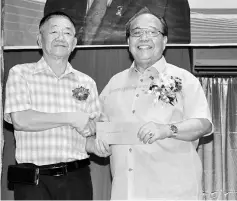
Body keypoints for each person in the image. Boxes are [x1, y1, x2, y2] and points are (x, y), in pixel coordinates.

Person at [98, 8, 213, 200]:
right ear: (128, 42)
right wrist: (99, 142)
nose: (144, 38)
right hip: (126, 192)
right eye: (137, 33)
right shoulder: (114, 84)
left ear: (165, 40)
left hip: (173, 192)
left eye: (152, 32)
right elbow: (99, 127)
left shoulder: (184, 79)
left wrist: (166, 129)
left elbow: (203, 124)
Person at [4, 11, 104, 200]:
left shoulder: (87, 82)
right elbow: (21, 120)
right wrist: (71, 117)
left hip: (77, 178)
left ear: (74, 44)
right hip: (33, 182)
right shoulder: (21, 74)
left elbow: (89, 136)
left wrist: (98, 146)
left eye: (67, 33)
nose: (61, 37)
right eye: (53, 32)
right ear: (39, 40)